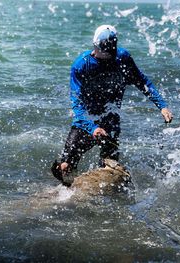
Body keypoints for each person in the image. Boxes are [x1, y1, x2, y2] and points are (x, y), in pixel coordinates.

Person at [51, 25, 173, 186]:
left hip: (110, 122)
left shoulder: (122, 58)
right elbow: (78, 106)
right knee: (65, 167)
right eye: (105, 51)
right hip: (86, 122)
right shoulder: (81, 66)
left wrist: (162, 106)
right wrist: (92, 128)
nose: (109, 55)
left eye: (112, 51)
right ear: (95, 46)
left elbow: (142, 82)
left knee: (112, 172)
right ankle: (68, 195)